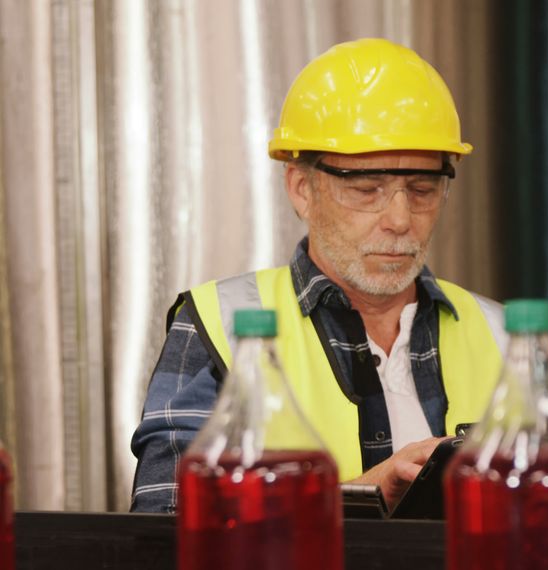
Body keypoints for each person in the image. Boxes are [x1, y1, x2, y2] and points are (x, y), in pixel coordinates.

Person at [130, 38, 507, 513]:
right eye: (368, 189)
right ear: (302, 188)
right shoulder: (219, 324)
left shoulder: (501, 335)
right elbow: (169, 525)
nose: (399, 218)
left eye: (421, 188)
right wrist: (359, 501)